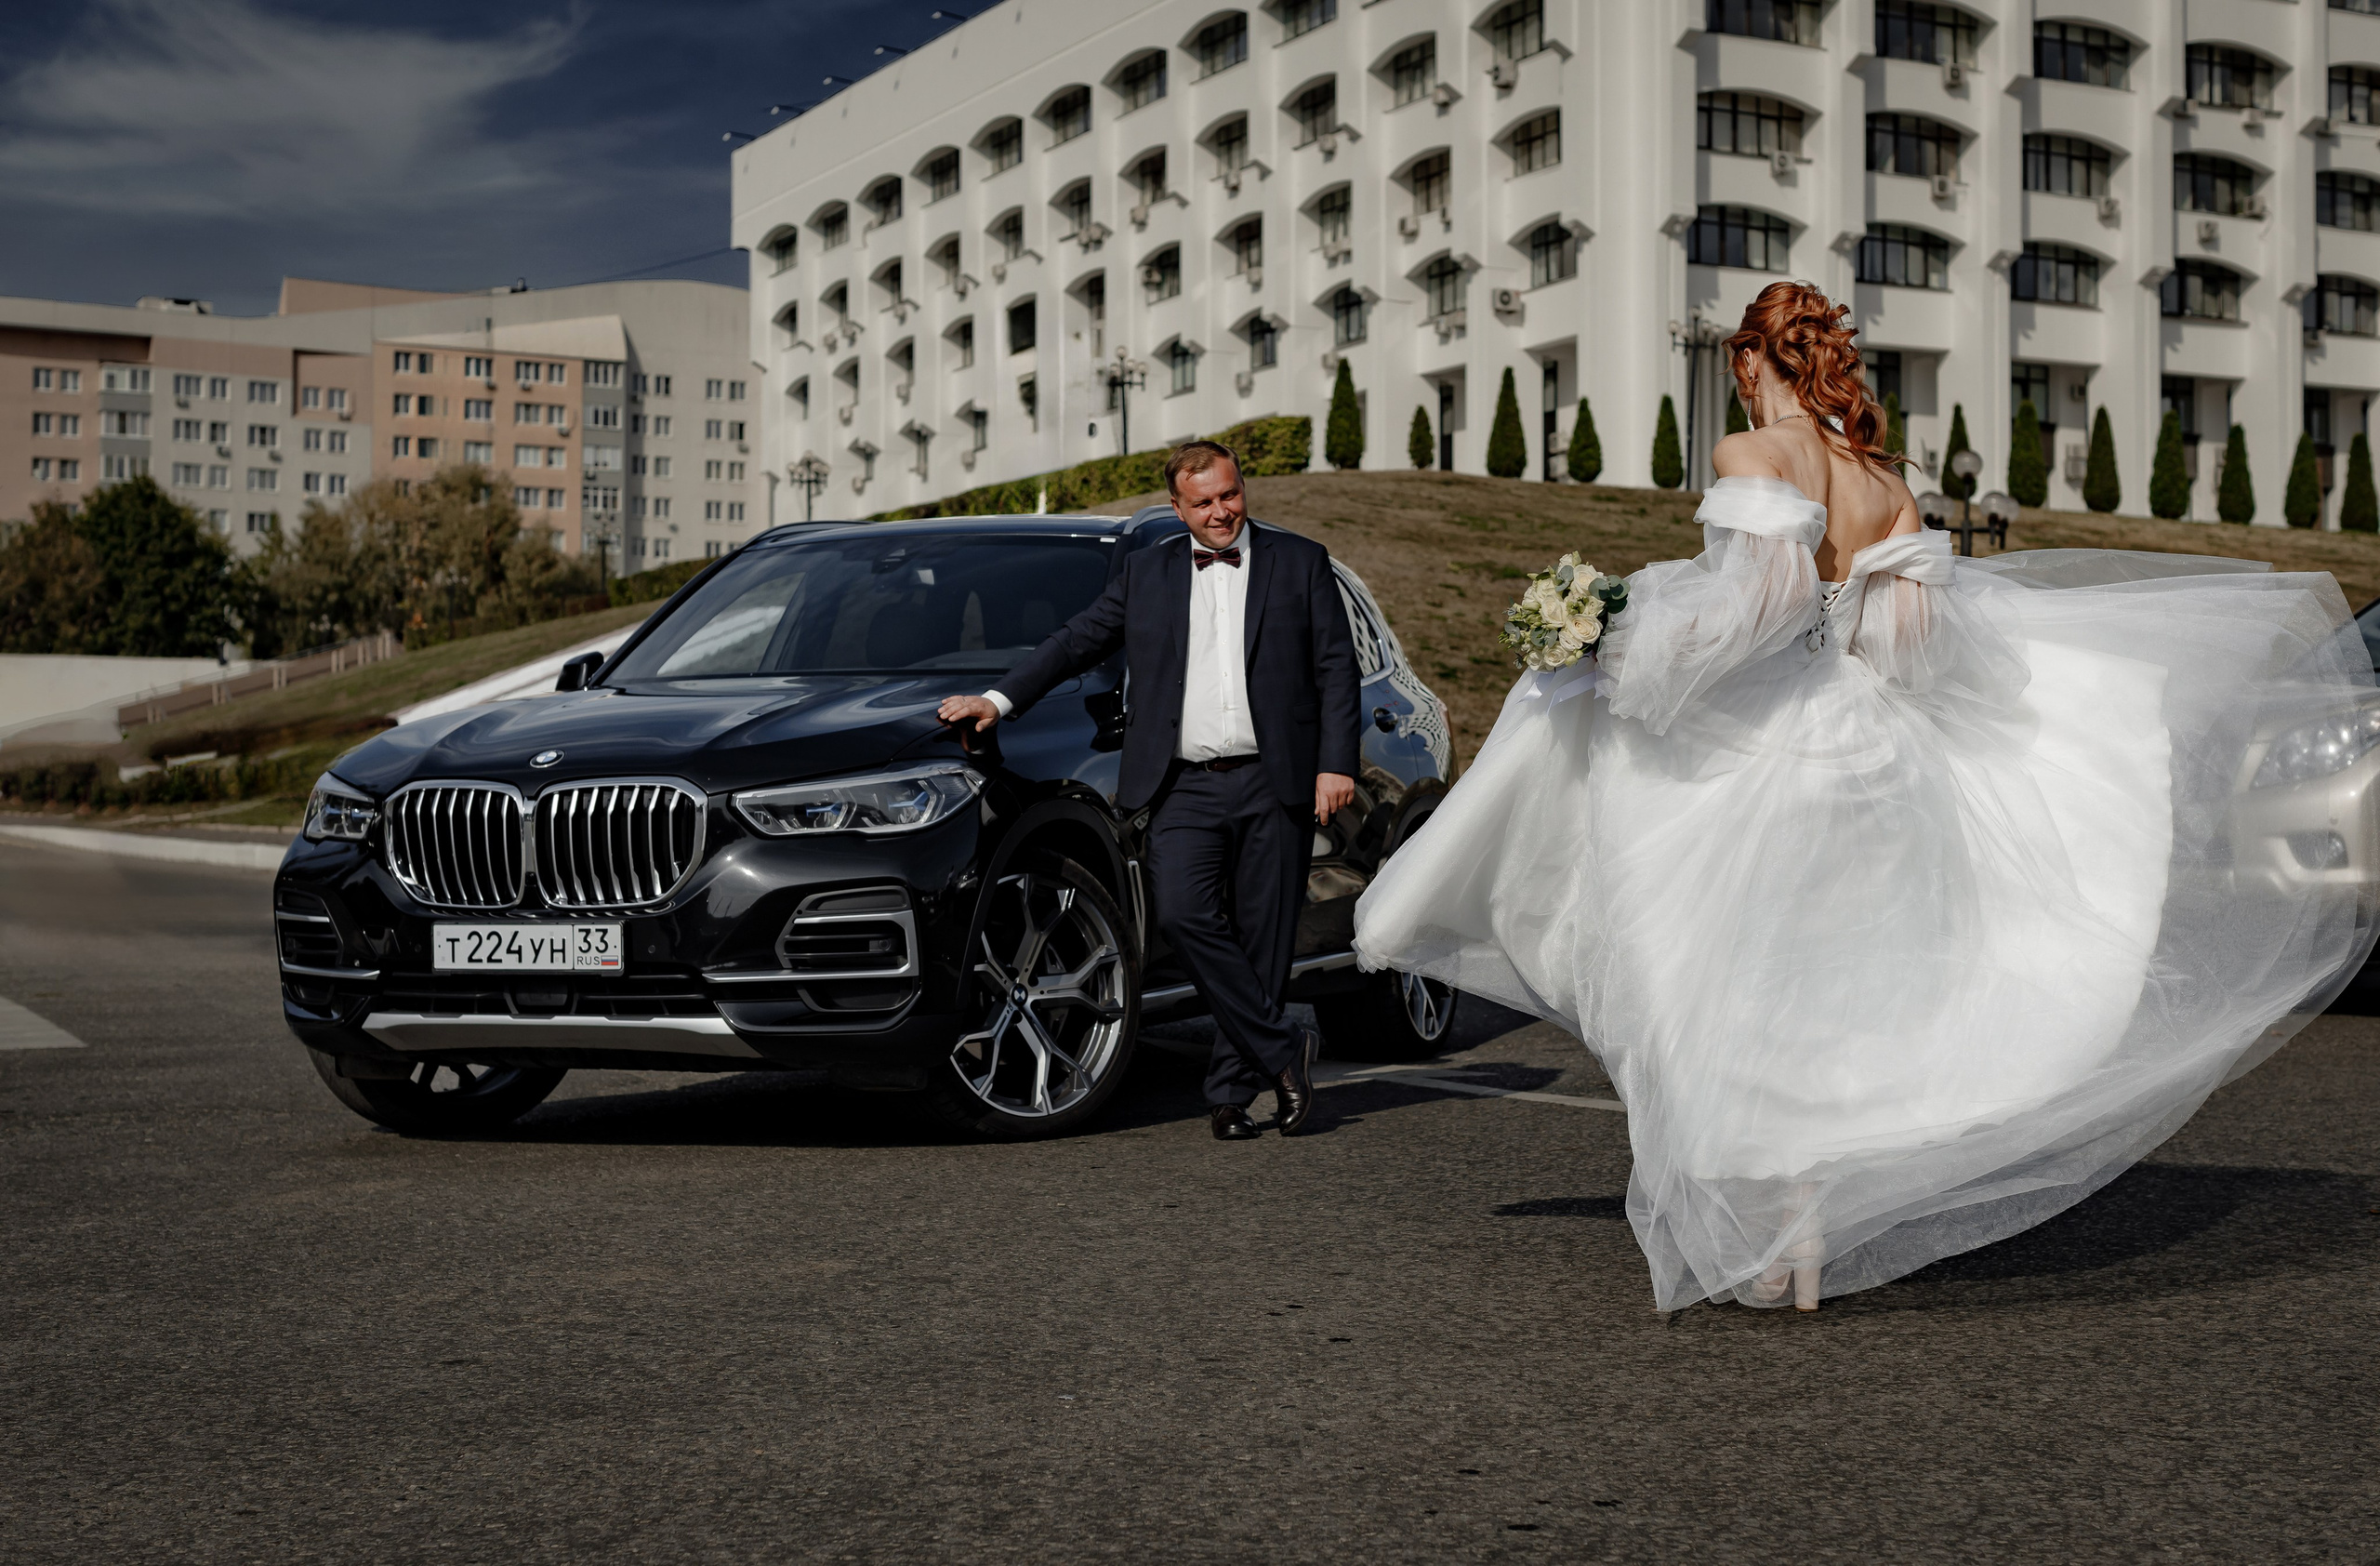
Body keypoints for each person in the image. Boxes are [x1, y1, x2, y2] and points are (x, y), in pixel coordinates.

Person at [1355, 280, 2378, 1310]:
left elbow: (1756, 609)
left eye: (1739, 368)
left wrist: (1614, 642)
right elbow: (1909, 644)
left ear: (1749, 362)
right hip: (1869, 755)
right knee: (1831, 991)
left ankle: (1772, 1232)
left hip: (1766, 751)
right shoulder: (1881, 481)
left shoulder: (1752, 454)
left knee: (1724, 982)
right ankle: (1806, 1230)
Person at [939, 441, 1363, 1140]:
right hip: (1183, 785)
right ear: (1178, 509)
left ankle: (1230, 1095)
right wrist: (998, 699)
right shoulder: (1147, 571)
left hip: (1275, 778)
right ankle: (1283, 1048)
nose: (1221, 512)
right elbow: (1076, 640)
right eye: (1204, 503)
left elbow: (1335, 667)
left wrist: (1335, 763)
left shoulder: (1300, 561)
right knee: (1184, 916)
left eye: (1230, 495)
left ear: (1241, 488)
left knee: (1263, 942)